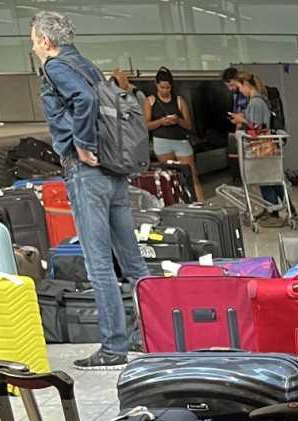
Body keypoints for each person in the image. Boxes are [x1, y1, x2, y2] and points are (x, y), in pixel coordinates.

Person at [31, 11, 147, 369]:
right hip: (114, 170)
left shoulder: (55, 66)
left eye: (34, 40)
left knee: (99, 265)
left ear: (46, 42)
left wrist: (81, 143)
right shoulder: (86, 63)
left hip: (87, 171)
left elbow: (84, 100)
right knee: (134, 263)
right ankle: (150, 333)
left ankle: (114, 347)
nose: (34, 46)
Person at [229, 73, 285, 222]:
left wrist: (242, 120)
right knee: (271, 179)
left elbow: (256, 128)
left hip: (261, 146)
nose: (239, 91)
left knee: (266, 179)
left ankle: (274, 211)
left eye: (239, 87)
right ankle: (278, 209)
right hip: (265, 146)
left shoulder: (255, 102)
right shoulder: (260, 100)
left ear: (246, 85)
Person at [144, 67, 203, 201]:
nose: (165, 91)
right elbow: (146, 125)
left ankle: (201, 204)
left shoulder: (179, 100)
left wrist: (178, 120)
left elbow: (188, 125)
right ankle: (179, 204)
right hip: (161, 142)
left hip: (180, 140)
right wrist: (161, 121)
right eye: (162, 87)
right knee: (170, 176)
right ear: (156, 85)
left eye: (168, 88)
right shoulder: (150, 101)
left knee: (192, 174)